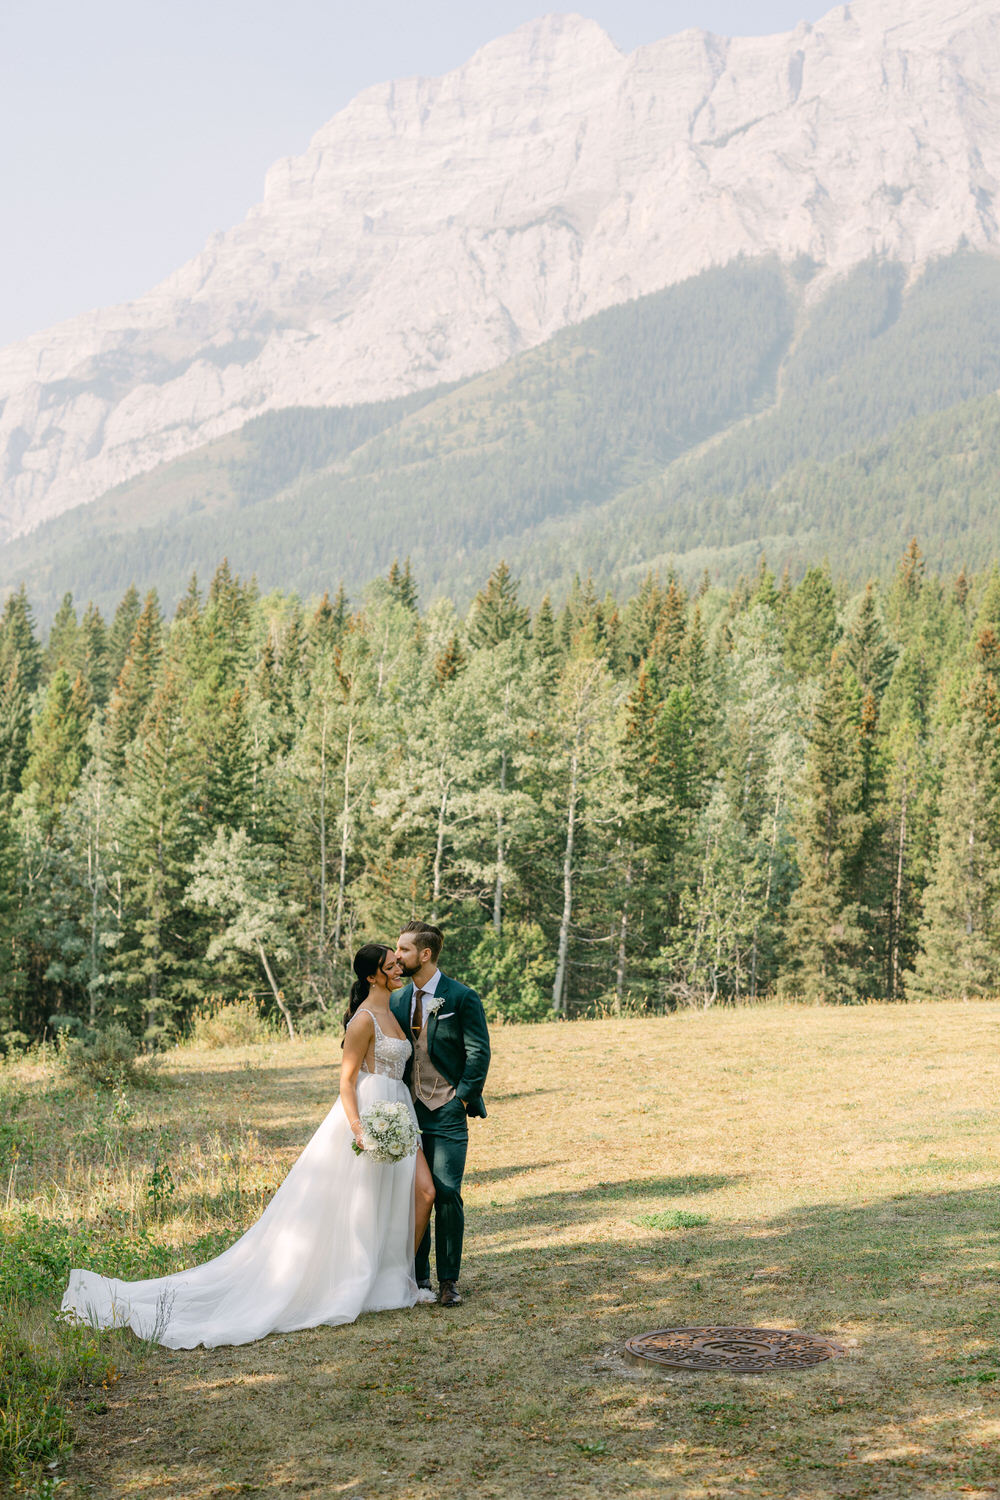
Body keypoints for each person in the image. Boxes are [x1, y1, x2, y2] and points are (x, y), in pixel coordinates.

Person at [60, 944, 435, 1349]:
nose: (400, 967)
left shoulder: (394, 1013)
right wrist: (360, 1129)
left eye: (399, 962)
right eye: (392, 964)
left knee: (417, 1193)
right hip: (368, 1115)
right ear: (372, 976)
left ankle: (396, 1280)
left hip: (398, 1112)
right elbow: (345, 1082)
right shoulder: (363, 1020)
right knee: (363, 1203)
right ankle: (364, 1283)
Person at [391, 920, 491, 1307]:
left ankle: (449, 1281)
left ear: (425, 954)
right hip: (408, 1110)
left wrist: (462, 1098)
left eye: (403, 949)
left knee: (447, 1193)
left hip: (447, 1109)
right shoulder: (397, 1000)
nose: (397, 956)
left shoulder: (461, 997)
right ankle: (419, 1280)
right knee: (415, 1195)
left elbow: (478, 1051)